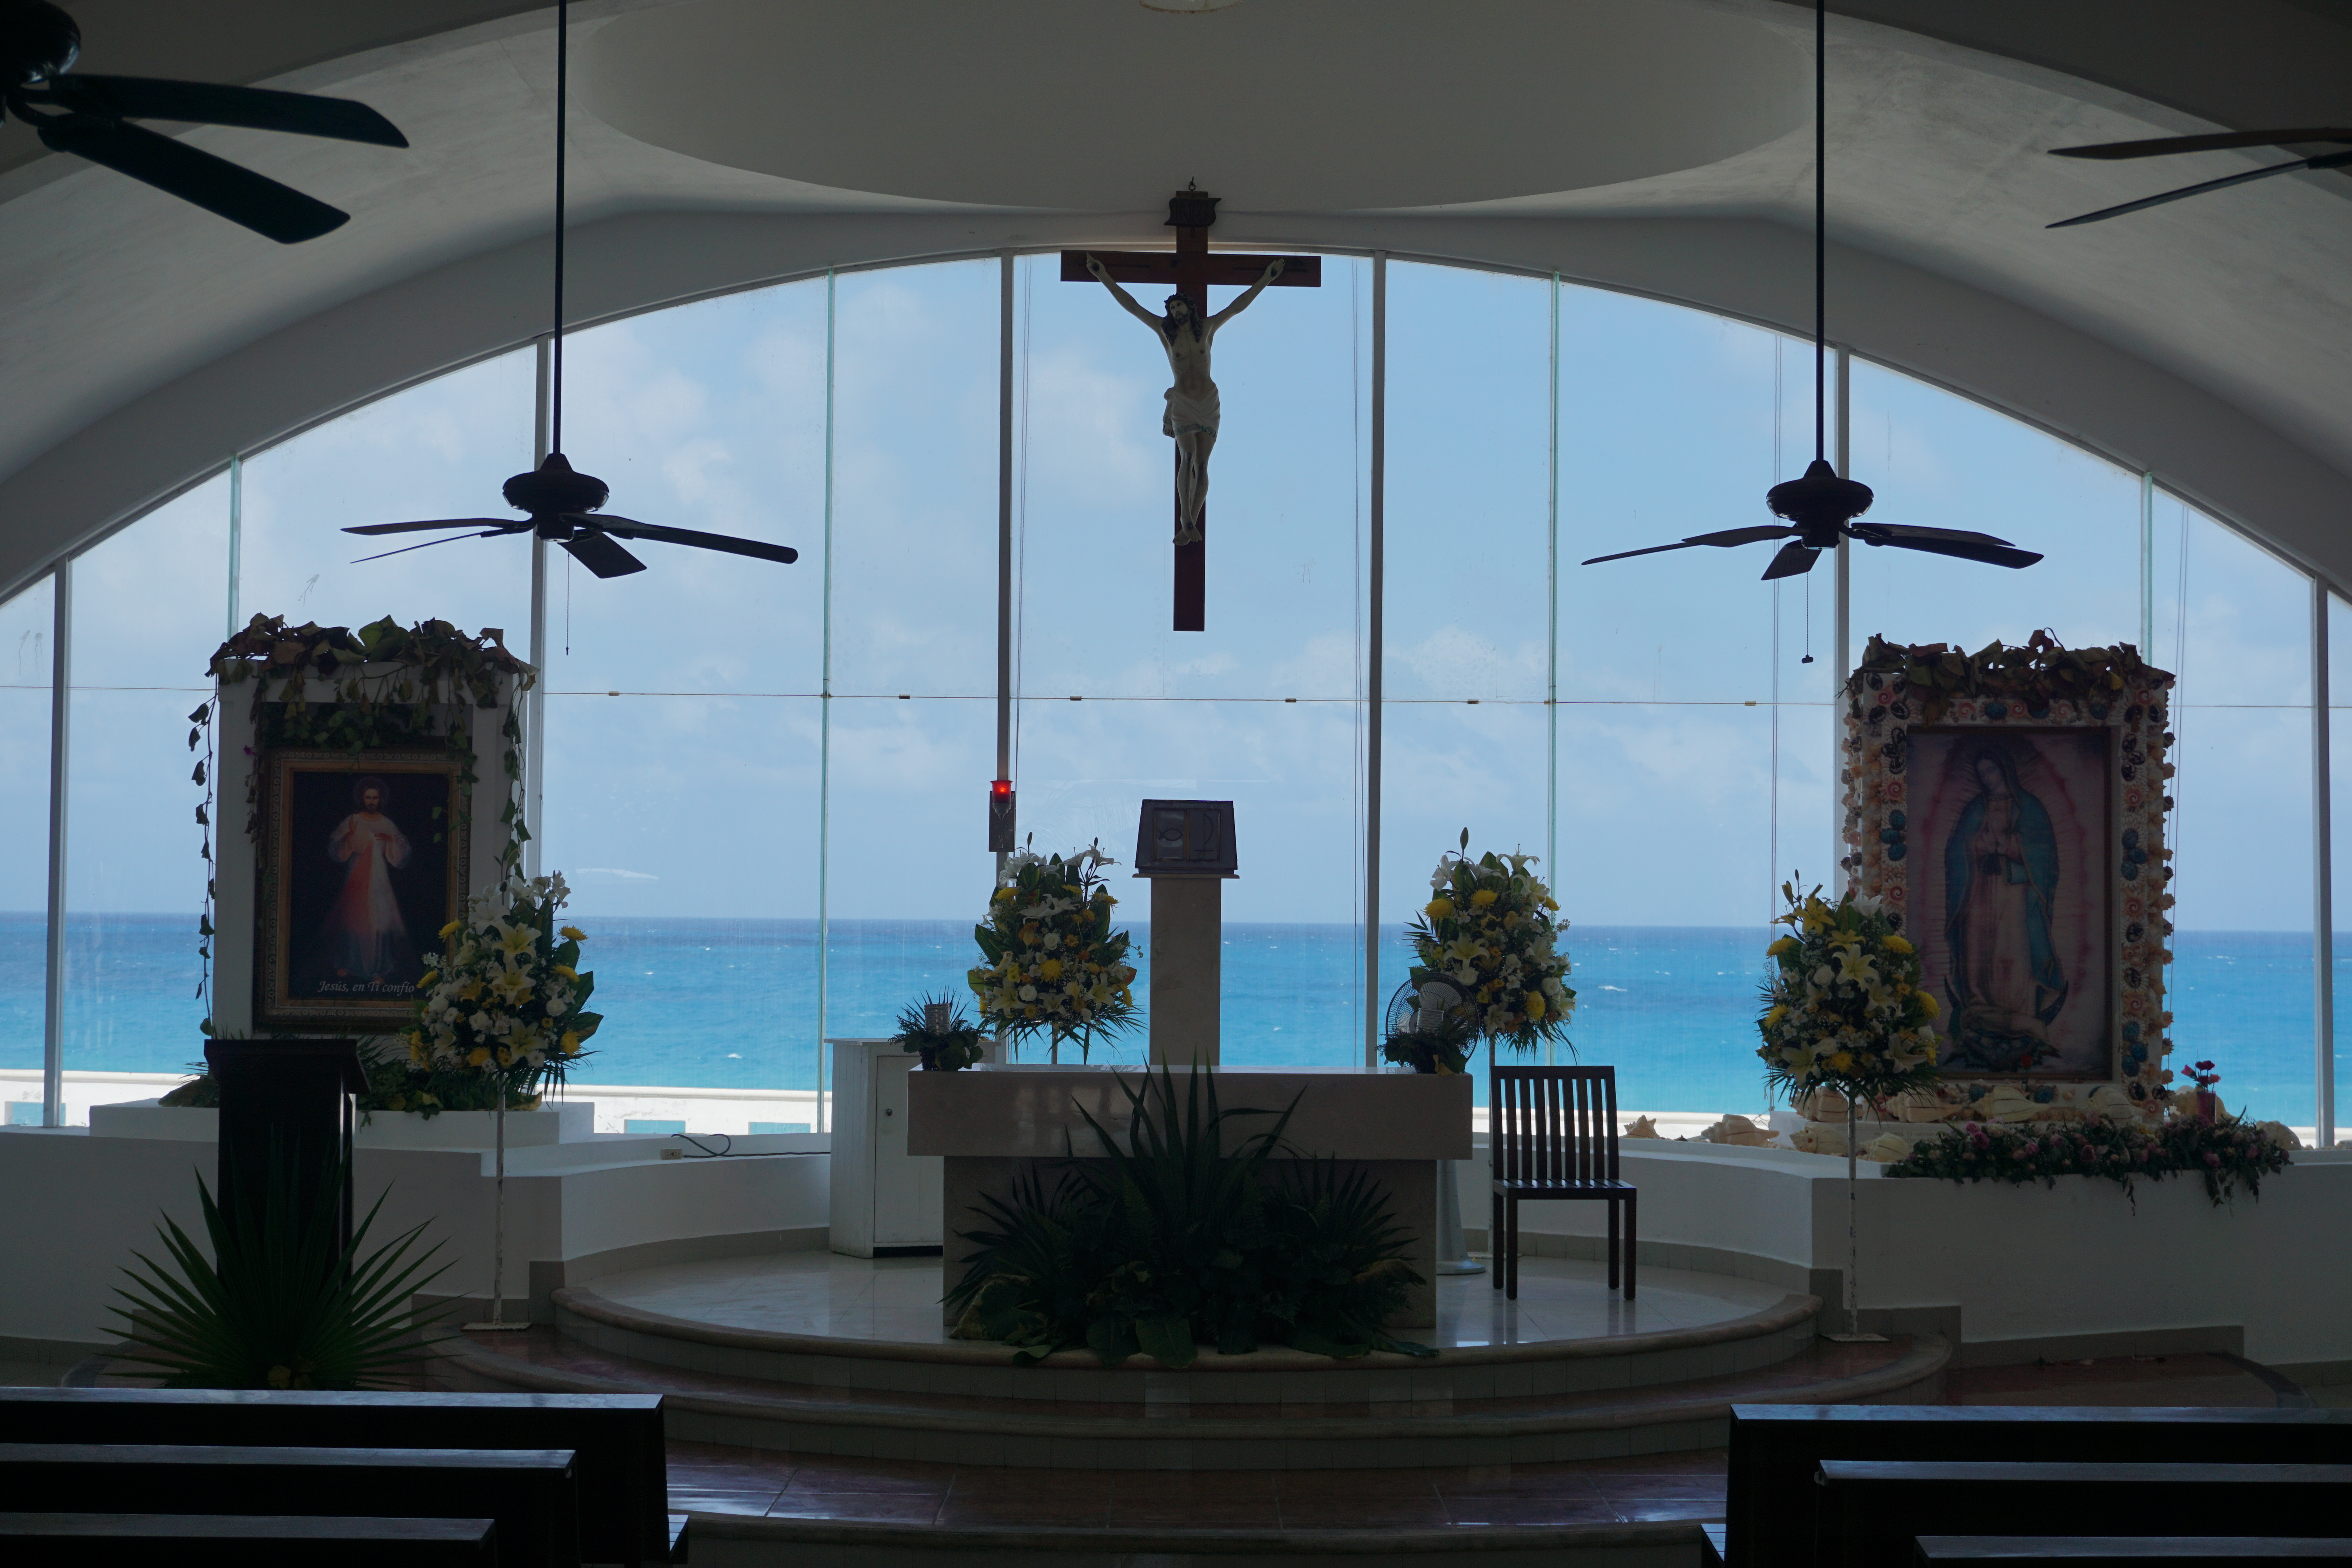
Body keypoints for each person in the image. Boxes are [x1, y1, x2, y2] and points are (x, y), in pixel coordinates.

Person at [1083, 252, 1285, 544]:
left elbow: (1237, 306)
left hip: (1208, 402)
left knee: (1202, 464)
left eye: (1180, 307)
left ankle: (1193, 517)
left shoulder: (1208, 329)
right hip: (1183, 403)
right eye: (1172, 309)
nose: (1176, 312)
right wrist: (1102, 275)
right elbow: (1133, 306)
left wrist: (1267, 279)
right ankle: (1185, 519)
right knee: (1186, 457)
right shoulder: (1166, 334)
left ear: (1189, 309)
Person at [1940, 745, 2067, 1070]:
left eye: (1992, 771)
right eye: (1983, 773)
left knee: (2012, 952)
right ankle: (1980, 1012)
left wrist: (2012, 847)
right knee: (1977, 950)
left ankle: (2018, 1016)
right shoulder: (1975, 809)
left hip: (2016, 893)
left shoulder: (2029, 808)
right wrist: (1978, 846)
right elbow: (1956, 849)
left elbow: (2046, 856)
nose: (1988, 778)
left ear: (2006, 770)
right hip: (1979, 892)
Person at [321, 775, 414, 985]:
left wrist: (390, 841)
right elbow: (336, 847)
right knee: (354, 919)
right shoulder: (353, 821)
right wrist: (349, 837)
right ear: (362, 799)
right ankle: (349, 962)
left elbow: (401, 847)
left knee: (376, 921)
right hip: (356, 875)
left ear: (380, 800)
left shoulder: (386, 823)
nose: (371, 801)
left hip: (379, 879)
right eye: (368, 797)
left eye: (375, 798)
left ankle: (377, 969)